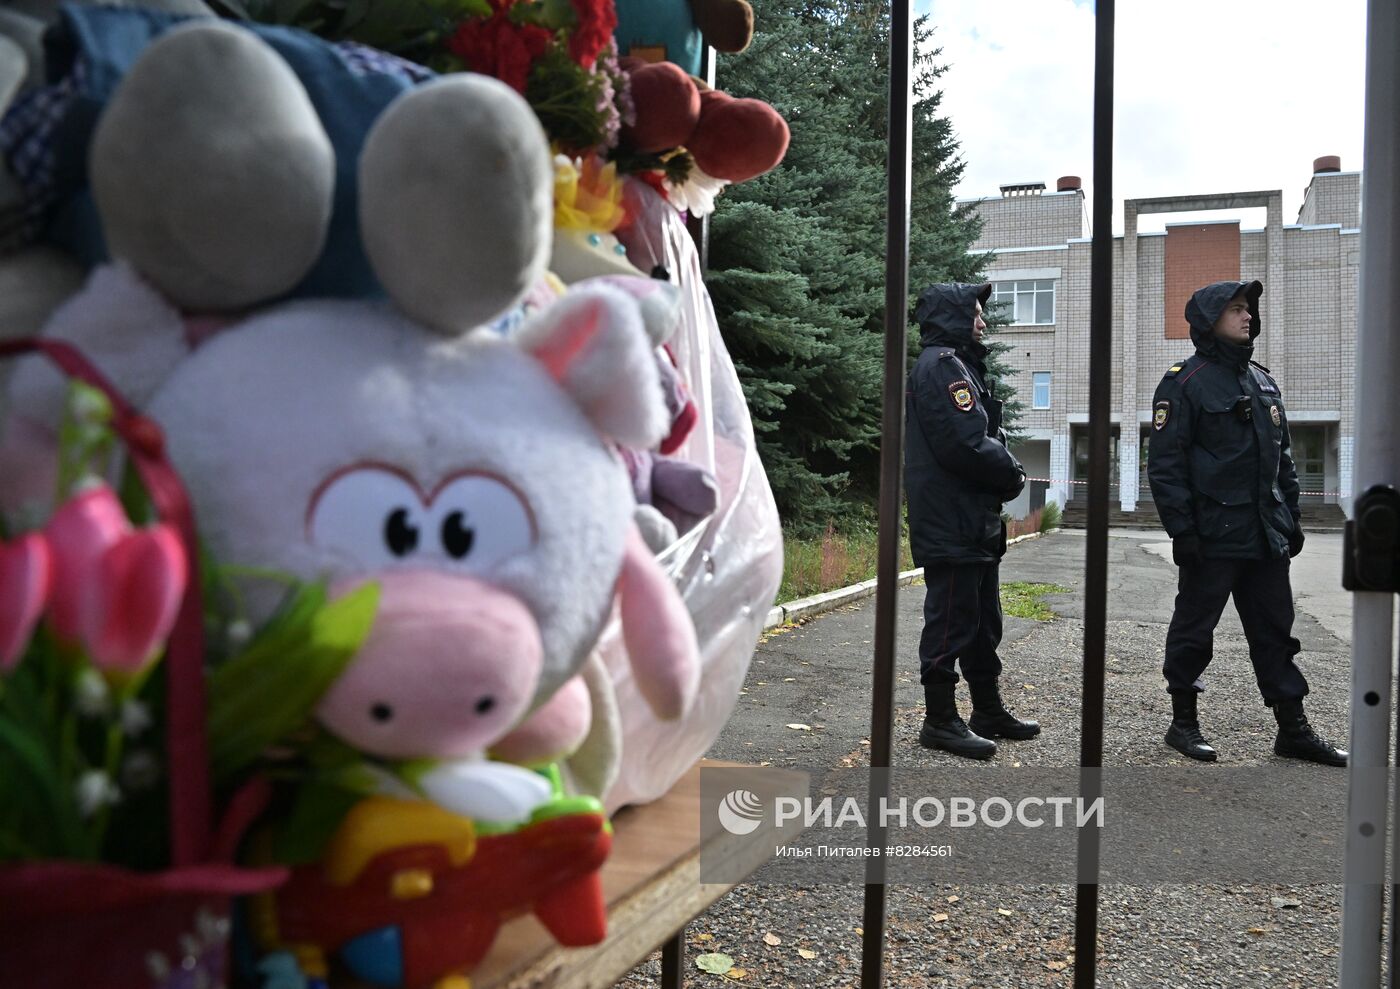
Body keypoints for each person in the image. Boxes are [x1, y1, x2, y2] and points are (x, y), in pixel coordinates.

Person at [1147, 279, 1346, 766]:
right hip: (1212, 536)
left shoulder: (1262, 381)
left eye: (1249, 309)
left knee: (1277, 632)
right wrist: (1184, 531)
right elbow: (1166, 464)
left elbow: (1283, 460)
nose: (1248, 317)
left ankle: (1293, 729)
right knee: (1195, 630)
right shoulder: (1184, 382)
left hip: (1264, 535)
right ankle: (1184, 723)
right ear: (1210, 320)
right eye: (1236, 309)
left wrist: (1290, 518)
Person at [905, 281, 1036, 760]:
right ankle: (939, 721)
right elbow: (964, 443)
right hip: (951, 519)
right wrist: (1012, 473)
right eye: (976, 313)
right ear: (954, 317)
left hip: (971, 517)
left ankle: (987, 709)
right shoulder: (942, 368)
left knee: (982, 620)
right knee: (950, 621)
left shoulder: (958, 366)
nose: (983, 322)